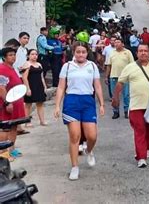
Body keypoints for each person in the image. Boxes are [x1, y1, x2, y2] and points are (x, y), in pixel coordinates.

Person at [54, 41, 105, 180]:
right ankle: (74, 167)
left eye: (83, 52)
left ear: (87, 53)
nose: (81, 54)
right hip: (71, 102)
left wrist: (101, 104)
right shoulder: (67, 66)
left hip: (88, 101)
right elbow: (60, 87)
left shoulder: (92, 66)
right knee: (75, 136)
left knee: (92, 136)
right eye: (78, 52)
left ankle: (89, 150)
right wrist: (57, 105)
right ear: (74, 52)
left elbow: (98, 86)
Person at [113, 43, 149, 168]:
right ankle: (141, 157)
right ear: (137, 53)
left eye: (145, 51)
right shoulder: (130, 67)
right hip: (136, 106)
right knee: (140, 130)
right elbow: (120, 83)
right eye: (140, 51)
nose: (143, 53)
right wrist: (115, 97)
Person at [0, 47, 27, 160]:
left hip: (17, 103)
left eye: (14, 54)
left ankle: (12, 149)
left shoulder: (12, 68)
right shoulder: (2, 69)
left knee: (14, 126)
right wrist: (7, 103)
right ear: (4, 57)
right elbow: (1, 87)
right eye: (10, 55)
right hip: (7, 104)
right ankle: (3, 152)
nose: (13, 57)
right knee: (5, 128)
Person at [105, 38, 133, 119]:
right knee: (115, 96)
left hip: (125, 77)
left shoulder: (127, 53)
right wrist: (106, 77)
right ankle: (115, 111)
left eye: (118, 42)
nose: (116, 43)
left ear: (122, 44)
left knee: (126, 95)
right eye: (115, 42)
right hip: (114, 77)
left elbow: (132, 65)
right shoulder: (111, 53)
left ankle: (126, 111)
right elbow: (108, 65)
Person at [22, 49, 48, 126]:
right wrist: (27, 88)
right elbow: (24, 78)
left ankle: (42, 121)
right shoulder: (27, 64)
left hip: (39, 86)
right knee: (28, 104)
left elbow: (42, 76)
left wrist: (44, 86)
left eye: (36, 54)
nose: (34, 56)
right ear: (28, 55)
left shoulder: (39, 64)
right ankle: (27, 122)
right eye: (32, 54)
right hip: (30, 86)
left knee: (40, 103)